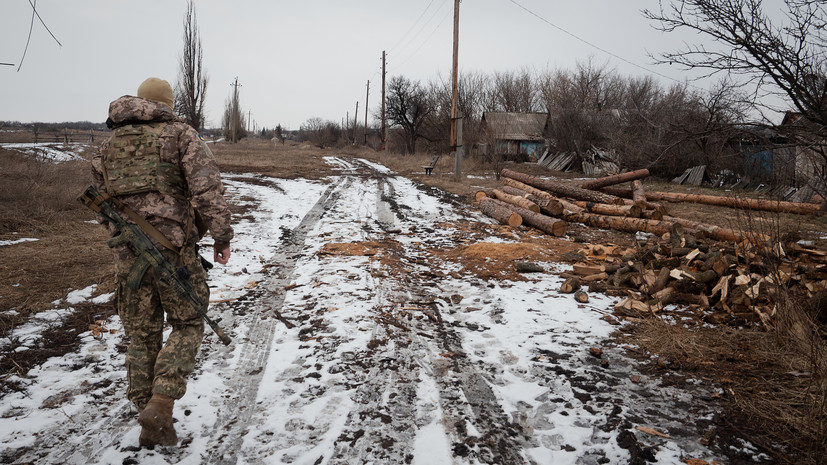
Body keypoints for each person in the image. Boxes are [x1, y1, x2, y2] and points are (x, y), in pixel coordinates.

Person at [91, 77, 234, 447]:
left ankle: (149, 417)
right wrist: (221, 237)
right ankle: (160, 402)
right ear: (167, 103)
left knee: (141, 334)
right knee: (188, 323)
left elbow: (102, 207)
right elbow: (207, 188)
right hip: (175, 256)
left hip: (128, 260)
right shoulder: (180, 135)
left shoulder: (107, 146)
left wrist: (122, 243)